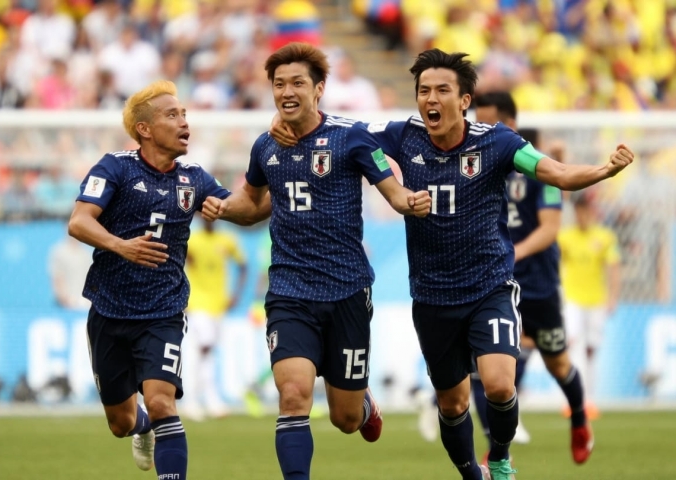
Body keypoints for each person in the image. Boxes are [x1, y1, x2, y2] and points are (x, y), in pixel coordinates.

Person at [269, 48, 634, 480]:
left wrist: (603, 170)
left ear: (464, 100)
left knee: (499, 383)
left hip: (489, 287)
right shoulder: (403, 135)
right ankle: (470, 473)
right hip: (433, 296)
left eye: (442, 90)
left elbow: (556, 173)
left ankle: (499, 457)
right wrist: (285, 123)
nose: (431, 99)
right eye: (423, 91)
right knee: (452, 403)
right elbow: (340, 130)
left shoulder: (497, 142)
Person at [201, 42, 432, 480]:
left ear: (320, 88)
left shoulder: (351, 136)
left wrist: (410, 201)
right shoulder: (265, 146)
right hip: (289, 291)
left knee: (344, 418)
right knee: (293, 395)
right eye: (279, 84)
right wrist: (219, 206)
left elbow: (393, 189)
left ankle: (362, 405)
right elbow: (250, 204)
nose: (287, 91)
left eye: (298, 83)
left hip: (346, 289)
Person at [67, 80, 250, 480]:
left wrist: (259, 180)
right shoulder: (114, 167)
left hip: (163, 311)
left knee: (164, 401)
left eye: (184, 113)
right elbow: (79, 223)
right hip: (110, 309)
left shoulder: (194, 177)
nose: (185, 121)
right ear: (145, 129)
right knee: (120, 422)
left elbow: (247, 208)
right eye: (173, 115)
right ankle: (141, 425)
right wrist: (122, 246)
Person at [471, 90, 592, 465]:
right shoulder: (472, 167)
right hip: (493, 283)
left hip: (536, 286)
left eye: (489, 124)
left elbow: (550, 228)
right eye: (478, 123)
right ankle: (498, 448)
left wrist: (513, 252)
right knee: (489, 369)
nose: (481, 131)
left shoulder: (539, 167)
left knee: (558, 364)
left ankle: (580, 418)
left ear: (509, 126)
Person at [558, 193, 621, 413]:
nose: (582, 214)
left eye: (585, 209)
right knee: (573, 345)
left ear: (592, 211)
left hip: (596, 300)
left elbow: (613, 268)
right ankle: (574, 401)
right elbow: (556, 264)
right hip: (573, 299)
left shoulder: (605, 237)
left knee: (591, 349)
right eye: (578, 210)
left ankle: (589, 399)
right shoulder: (565, 237)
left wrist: (613, 297)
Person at [182, 219, 247, 421]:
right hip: (197, 303)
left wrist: (236, 293)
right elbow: (179, 262)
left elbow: (243, 266)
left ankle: (204, 400)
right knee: (203, 348)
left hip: (218, 305)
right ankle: (198, 400)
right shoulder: (192, 240)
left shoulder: (227, 240)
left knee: (207, 353)